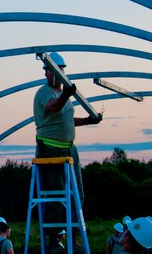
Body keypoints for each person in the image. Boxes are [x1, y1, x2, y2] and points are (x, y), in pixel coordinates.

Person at [33, 52, 102, 202]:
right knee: (57, 193)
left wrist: (87, 121)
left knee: (76, 192)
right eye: (51, 70)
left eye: (59, 70)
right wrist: (66, 95)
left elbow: (66, 120)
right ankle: (59, 225)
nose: (54, 73)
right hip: (51, 149)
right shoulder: (45, 91)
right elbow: (53, 107)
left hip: (69, 148)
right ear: (46, 72)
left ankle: (75, 225)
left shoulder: (61, 93)